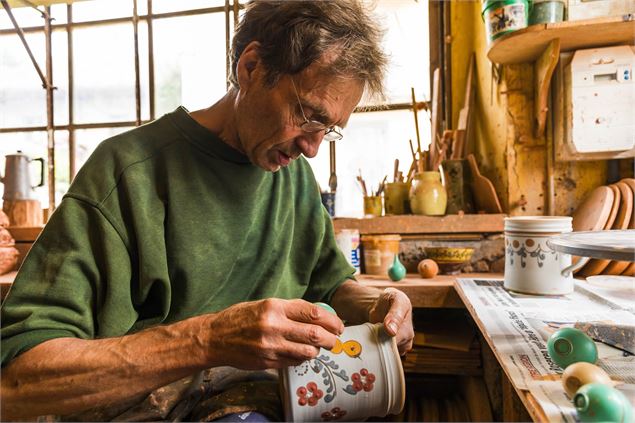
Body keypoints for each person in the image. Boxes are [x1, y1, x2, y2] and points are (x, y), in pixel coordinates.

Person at [0, 1, 414, 420]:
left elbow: (328, 286)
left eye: (330, 129)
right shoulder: (127, 174)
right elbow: (17, 380)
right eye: (308, 115)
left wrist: (376, 303)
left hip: (266, 403)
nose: (312, 148)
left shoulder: (292, 176)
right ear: (251, 66)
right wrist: (208, 340)